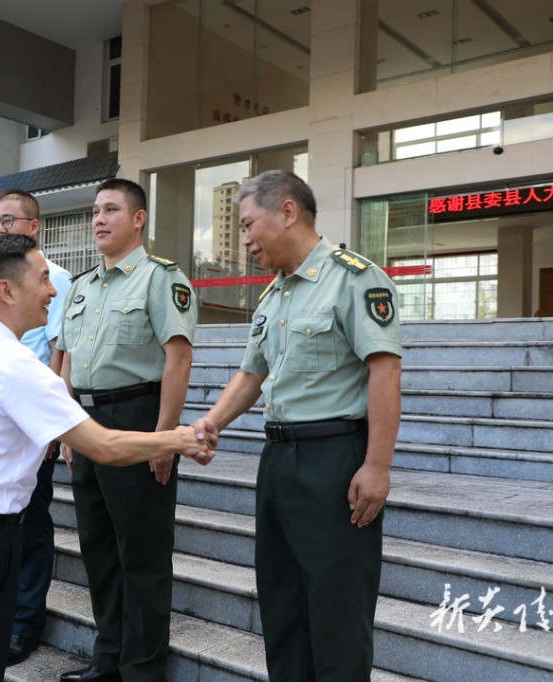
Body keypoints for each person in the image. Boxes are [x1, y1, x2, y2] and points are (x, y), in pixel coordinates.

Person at [0, 234, 211, 682]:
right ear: (7, 290)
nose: (53, 291)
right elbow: (105, 447)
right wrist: (178, 439)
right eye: (43, 279)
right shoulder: (12, 365)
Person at [191, 170, 403, 681]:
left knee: (337, 606)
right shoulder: (274, 295)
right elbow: (252, 374)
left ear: (287, 212)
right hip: (279, 459)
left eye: (248, 225)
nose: (245, 239)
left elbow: (385, 370)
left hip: (334, 460)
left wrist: (377, 466)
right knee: (282, 600)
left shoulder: (354, 278)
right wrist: (211, 423)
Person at [56, 178, 197, 682]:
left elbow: (178, 359)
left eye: (111, 210)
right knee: (97, 547)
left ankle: (142, 668)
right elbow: (66, 359)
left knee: (142, 551)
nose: (99, 219)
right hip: (87, 421)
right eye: (96, 210)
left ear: (138, 219)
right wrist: (69, 425)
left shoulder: (161, 279)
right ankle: (109, 658)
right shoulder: (81, 286)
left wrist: (164, 438)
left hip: (138, 417)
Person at [0, 189, 73, 666]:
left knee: (31, 525)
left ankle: (25, 623)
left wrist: (52, 423)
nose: (0, 229)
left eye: (9, 221)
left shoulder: (54, 280)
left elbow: (60, 351)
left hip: (32, 420)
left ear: (34, 227)